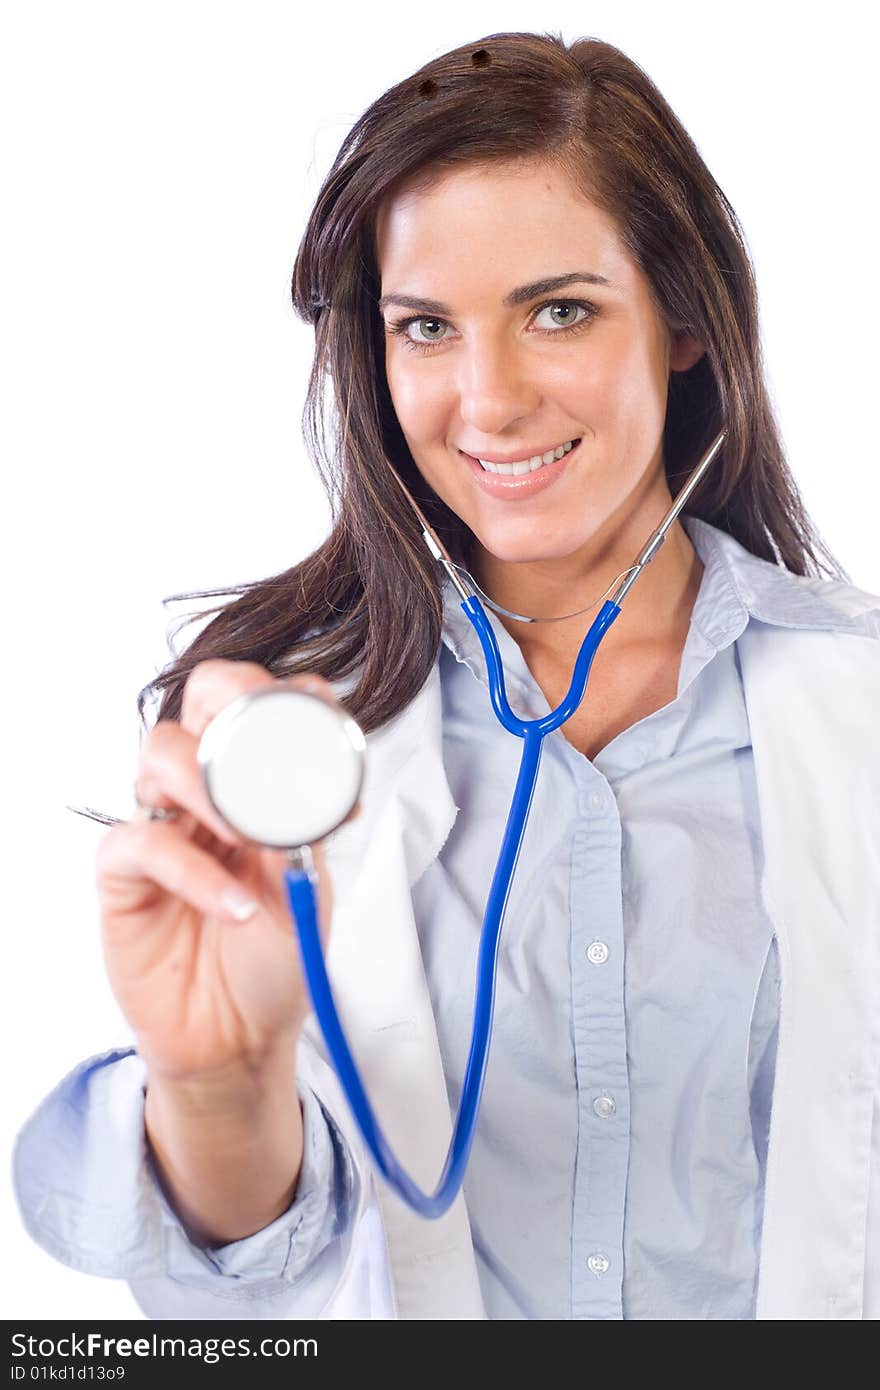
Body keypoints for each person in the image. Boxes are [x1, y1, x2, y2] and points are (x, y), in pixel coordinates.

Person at [13, 31, 880, 1321]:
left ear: (685, 320)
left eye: (560, 310)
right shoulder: (273, 739)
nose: (488, 399)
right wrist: (213, 1081)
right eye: (427, 327)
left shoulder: (854, 709)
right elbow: (254, 1294)